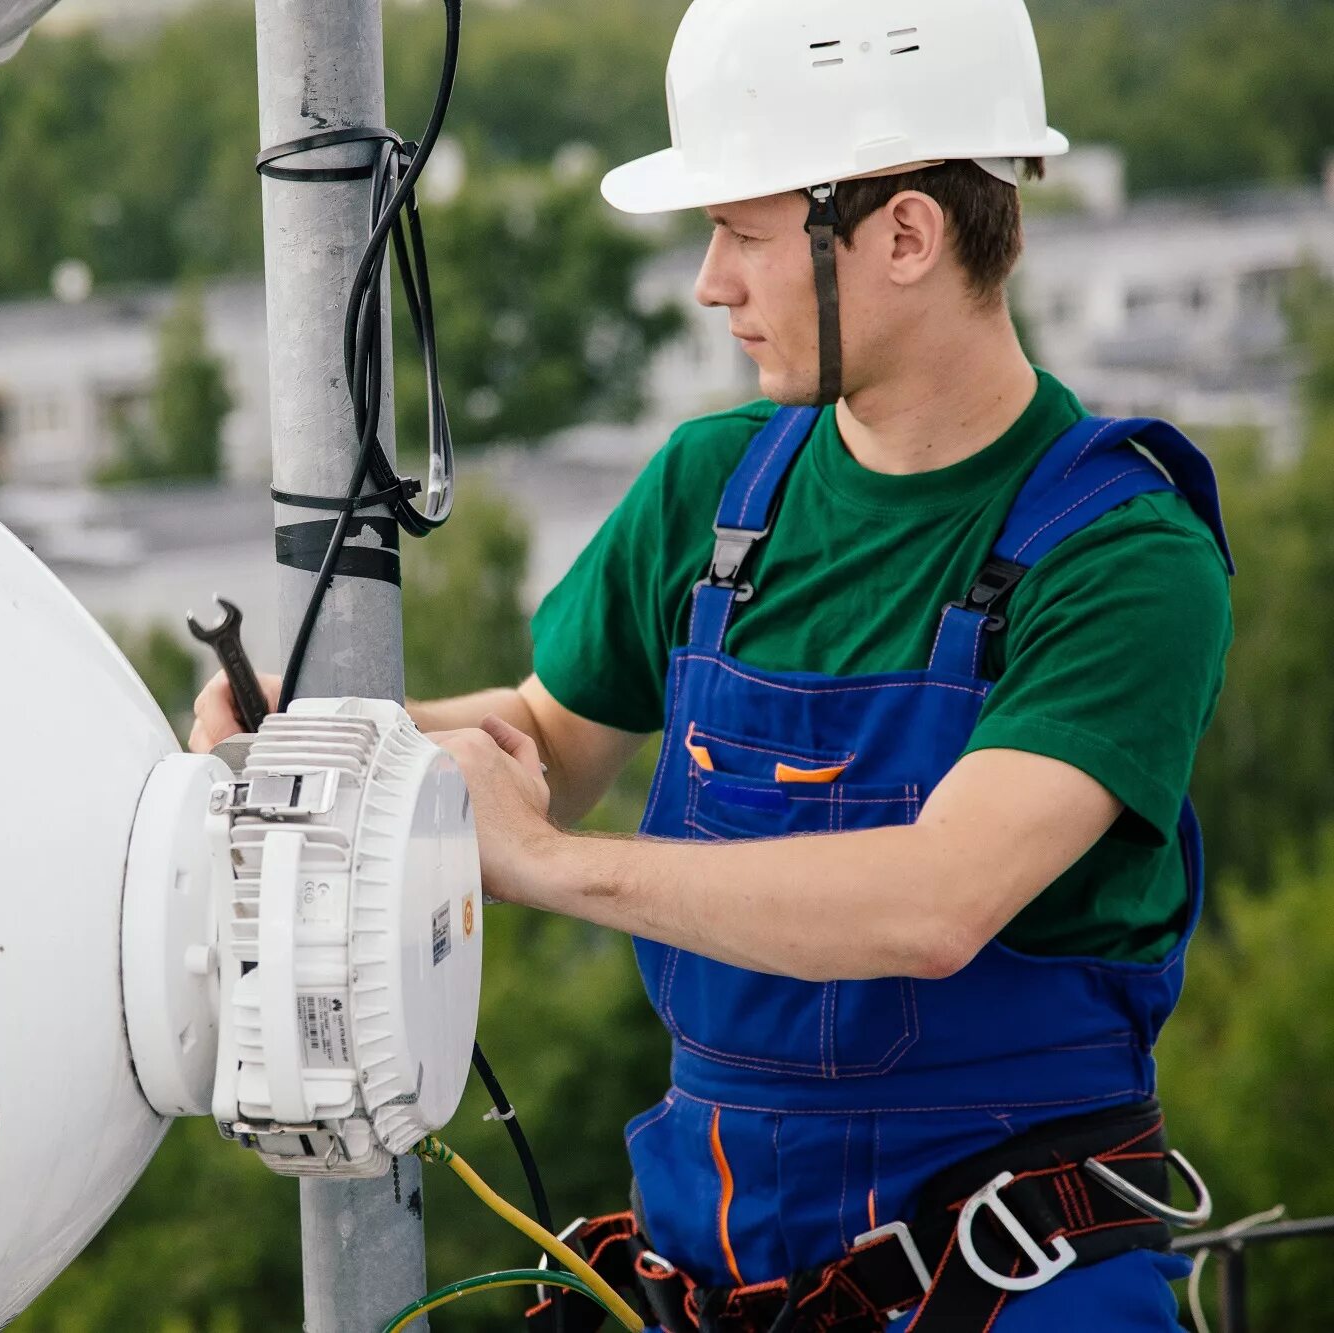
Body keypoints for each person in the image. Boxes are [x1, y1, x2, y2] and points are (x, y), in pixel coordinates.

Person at [193, 0, 1233, 1326]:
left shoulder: (1122, 554)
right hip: (715, 1259)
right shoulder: (716, 493)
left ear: (904, 234)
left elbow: (935, 899)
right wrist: (309, 739)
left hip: (1003, 1281)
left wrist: (557, 867)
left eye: (743, 231)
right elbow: (539, 741)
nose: (711, 281)